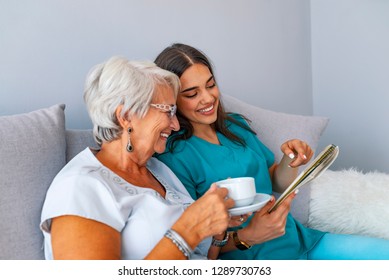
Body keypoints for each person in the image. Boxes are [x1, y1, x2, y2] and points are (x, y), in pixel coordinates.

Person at [154, 43, 389, 260]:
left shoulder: (235, 126)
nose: (208, 98)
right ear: (171, 99)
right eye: (192, 94)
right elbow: (194, 243)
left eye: (210, 85)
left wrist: (291, 159)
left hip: (298, 240)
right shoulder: (173, 155)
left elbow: (276, 182)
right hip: (252, 258)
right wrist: (247, 236)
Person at [40, 56, 234, 260]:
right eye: (169, 112)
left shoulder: (159, 170)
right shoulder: (80, 187)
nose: (176, 125)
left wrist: (216, 229)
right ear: (125, 116)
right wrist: (188, 231)